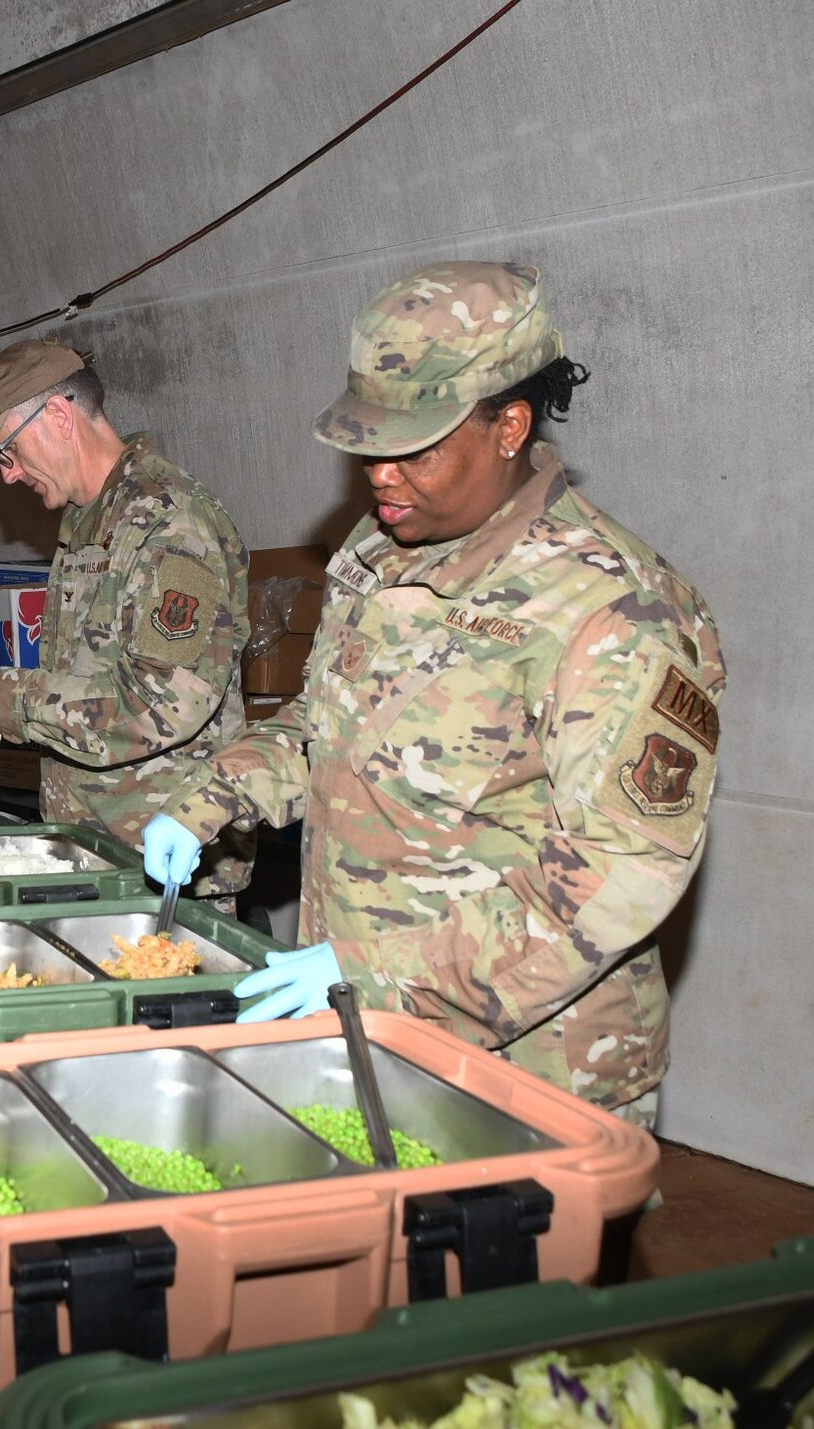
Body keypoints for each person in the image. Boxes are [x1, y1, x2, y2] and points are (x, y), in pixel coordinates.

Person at [143, 262, 725, 1124]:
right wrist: (209, 800)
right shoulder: (382, 551)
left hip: (525, 1070)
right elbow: (325, 724)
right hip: (364, 1027)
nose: (380, 475)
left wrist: (379, 977)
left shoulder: (614, 610)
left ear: (508, 426)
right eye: (369, 444)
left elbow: (616, 873)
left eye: (414, 446)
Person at [0, 338, 253, 903]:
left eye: (7, 452)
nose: (6, 477)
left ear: (57, 415)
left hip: (165, 867)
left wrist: (6, 698)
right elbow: (92, 677)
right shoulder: (89, 523)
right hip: (96, 853)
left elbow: (161, 704)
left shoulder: (168, 524)